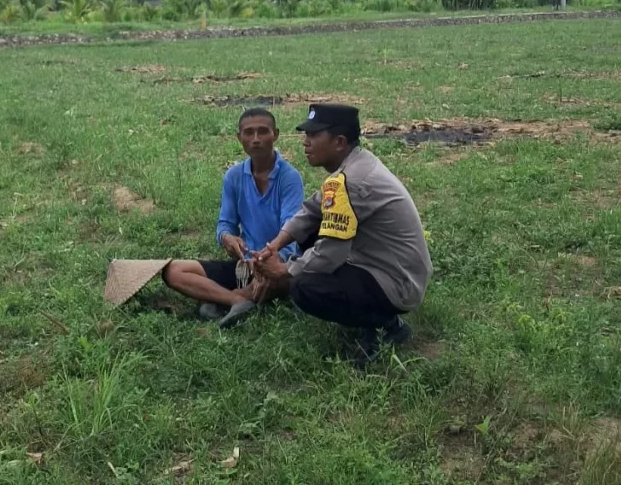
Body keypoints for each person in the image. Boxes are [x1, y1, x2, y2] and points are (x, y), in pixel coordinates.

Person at [251, 103, 432, 366]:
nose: (305, 143)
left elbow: (330, 253)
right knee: (311, 233)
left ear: (339, 142)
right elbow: (312, 211)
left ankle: (384, 327)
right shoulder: (354, 165)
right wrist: (276, 244)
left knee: (304, 287)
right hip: (388, 267)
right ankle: (376, 316)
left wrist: (285, 271)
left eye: (313, 136)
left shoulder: (352, 181)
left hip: (399, 283)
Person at [162, 108, 305, 328]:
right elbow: (225, 224)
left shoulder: (289, 178)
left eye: (262, 132)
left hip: (277, 265)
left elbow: (292, 231)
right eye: (248, 133)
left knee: (279, 281)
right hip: (243, 265)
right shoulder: (234, 176)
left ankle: (220, 297)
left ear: (275, 135)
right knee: (173, 270)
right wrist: (228, 238)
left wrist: (269, 263)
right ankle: (236, 299)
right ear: (239, 138)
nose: (255, 139)